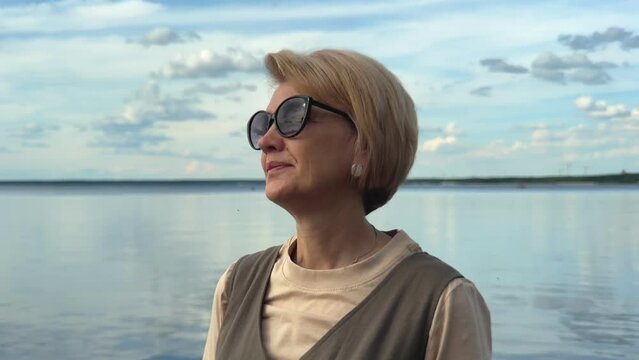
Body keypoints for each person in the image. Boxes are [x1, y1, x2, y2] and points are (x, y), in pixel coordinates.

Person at [203, 49, 491, 360]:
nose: (266, 141)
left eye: (293, 116)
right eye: (264, 124)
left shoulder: (439, 300)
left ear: (365, 144)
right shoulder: (238, 284)